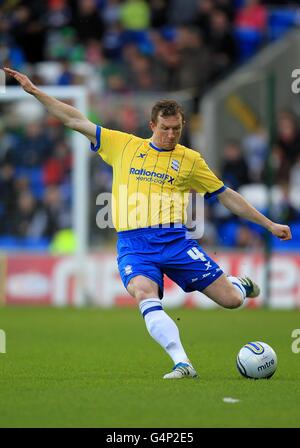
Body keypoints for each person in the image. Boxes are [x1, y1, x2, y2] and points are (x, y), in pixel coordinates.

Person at [4, 67, 292, 379]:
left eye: (177, 129)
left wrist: (268, 224)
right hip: (134, 244)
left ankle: (239, 284)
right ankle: (182, 363)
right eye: (166, 128)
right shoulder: (123, 145)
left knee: (232, 301)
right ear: (152, 125)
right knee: (144, 294)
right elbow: (75, 119)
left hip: (175, 242)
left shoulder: (190, 160)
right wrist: (35, 91)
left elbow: (226, 195)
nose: (171, 135)